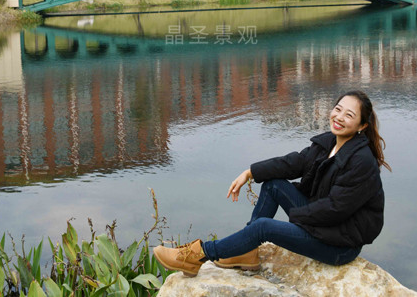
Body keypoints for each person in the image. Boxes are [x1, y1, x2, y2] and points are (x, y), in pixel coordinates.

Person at [153, 90, 390, 277]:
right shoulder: (329, 142)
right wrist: (250, 172)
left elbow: (335, 209)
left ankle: (199, 255)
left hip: (339, 244)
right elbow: (294, 163)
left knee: (263, 227)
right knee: (273, 184)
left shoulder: (361, 162)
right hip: (322, 223)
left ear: (362, 126)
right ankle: (247, 252)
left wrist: (297, 217)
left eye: (349, 115)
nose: (338, 117)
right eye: (337, 109)